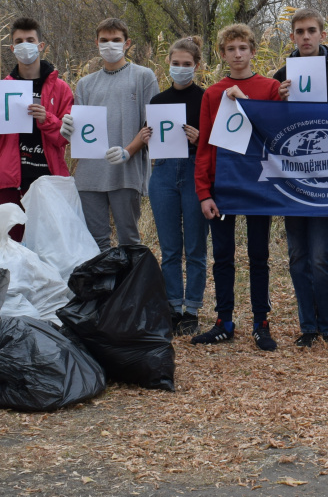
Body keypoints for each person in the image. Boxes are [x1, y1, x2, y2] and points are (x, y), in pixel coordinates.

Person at [192, 23, 281, 351]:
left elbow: (275, 132)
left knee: (259, 255)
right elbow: (204, 145)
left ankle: (261, 323)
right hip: (223, 184)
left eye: (243, 48)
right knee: (223, 256)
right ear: (222, 54)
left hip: (258, 182)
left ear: (253, 51)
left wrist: (246, 102)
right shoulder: (212, 94)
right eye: (231, 49)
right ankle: (224, 322)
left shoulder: (270, 87)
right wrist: (204, 192)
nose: (238, 54)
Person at [273, 8, 328, 348]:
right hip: (293, 180)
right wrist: (277, 101)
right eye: (299, 31)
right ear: (292, 36)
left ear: (322, 34)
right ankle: (308, 327)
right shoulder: (282, 75)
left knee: (321, 255)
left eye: (311, 30)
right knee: (297, 256)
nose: (305, 36)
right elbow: (272, 130)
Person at [60, 18, 158, 252]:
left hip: (126, 171)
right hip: (90, 175)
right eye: (104, 40)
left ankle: (131, 278)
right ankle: (103, 278)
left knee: (129, 241)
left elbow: (152, 124)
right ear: (96, 43)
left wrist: (128, 152)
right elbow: (82, 131)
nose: (110, 45)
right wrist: (68, 131)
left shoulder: (143, 76)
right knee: (96, 243)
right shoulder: (85, 84)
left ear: (127, 43)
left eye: (116, 40)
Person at [142, 37, 208, 336]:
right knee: (169, 248)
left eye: (187, 64)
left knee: (195, 246)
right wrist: (146, 139)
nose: (181, 68)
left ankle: (192, 309)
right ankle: (173, 307)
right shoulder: (158, 101)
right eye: (176, 63)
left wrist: (201, 139)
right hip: (164, 171)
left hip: (195, 170)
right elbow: (155, 140)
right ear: (168, 63)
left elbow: (216, 143)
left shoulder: (205, 98)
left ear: (197, 66)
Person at [1, 17, 73, 242]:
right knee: (11, 247)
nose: (25, 45)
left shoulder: (61, 88)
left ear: (41, 46)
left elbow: (65, 138)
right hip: (11, 181)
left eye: (30, 40)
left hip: (48, 178)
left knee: (49, 246)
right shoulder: (4, 88)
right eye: (19, 41)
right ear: (12, 48)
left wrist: (46, 119)